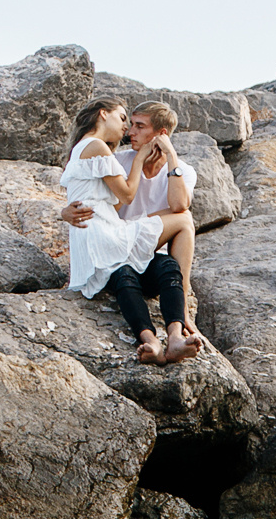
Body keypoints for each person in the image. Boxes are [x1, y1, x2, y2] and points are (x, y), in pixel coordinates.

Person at [60, 97, 202, 364]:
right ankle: (150, 341)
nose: (129, 131)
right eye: (128, 122)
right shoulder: (117, 159)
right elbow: (102, 198)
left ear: (160, 134)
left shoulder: (184, 171)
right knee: (124, 275)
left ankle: (175, 336)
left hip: (142, 250)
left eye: (139, 126)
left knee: (169, 265)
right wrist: (65, 212)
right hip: (117, 245)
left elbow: (179, 206)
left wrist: (171, 156)